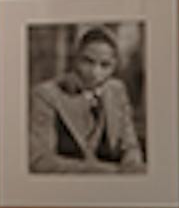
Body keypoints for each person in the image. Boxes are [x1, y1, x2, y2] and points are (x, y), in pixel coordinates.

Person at [31, 28, 141, 172]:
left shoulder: (117, 90)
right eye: (88, 61)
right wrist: (107, 171)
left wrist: (132, 165)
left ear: (114, 66)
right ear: (75, 58)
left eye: (105, 65)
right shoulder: (46, 94)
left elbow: (131, 146)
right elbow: (39, 161)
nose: (95, 72)